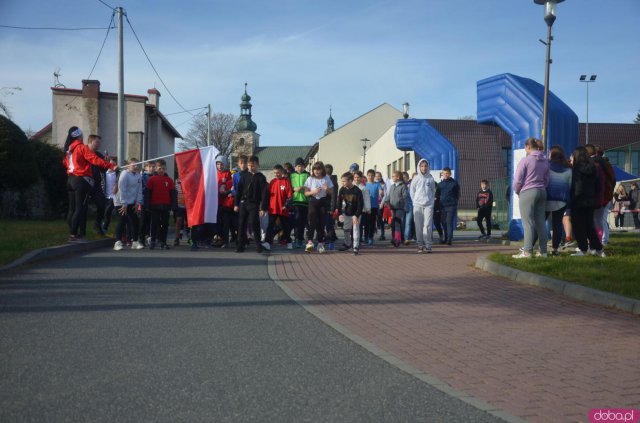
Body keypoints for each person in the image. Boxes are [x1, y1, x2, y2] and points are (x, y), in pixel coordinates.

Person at [62, 126, 116, 243]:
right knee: (79, 208)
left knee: (73, 209)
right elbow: (94, 159)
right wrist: (111, 165)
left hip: (70, 179)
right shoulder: (81, 147)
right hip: (81, 180)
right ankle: (74, 235)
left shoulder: (69, 149)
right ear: (80, 136)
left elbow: (65, 162)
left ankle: (74, 232)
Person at [511, 138, 549, 258]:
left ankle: (527, 251)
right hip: (542, 191)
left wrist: (518, 191)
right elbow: (547, 179)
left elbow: (517, 180)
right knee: (541, 222)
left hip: (527, 192)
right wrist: (542, 187)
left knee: (527, 223)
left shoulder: (525, 160)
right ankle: (543, 251)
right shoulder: (545, 161)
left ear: (528, 147)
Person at [569, 147, 604, 257]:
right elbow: (598, 186)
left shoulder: (576, 169)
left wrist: (572, 200)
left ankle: (583, 249)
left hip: (578, 202)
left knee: (579, 227)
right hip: (590, 201)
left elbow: (577, 187)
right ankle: (599, 250)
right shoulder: (594, 168)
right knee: (590, 226)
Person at [234, 155, 268, 253]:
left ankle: (258, 245)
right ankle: (240, 245)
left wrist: (262, 207)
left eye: (252, 166)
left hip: (254, 204)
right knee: (241, 224)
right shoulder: (244, 176)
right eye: (249, 165)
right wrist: (236, 204)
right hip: (243, 203)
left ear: (257, 165)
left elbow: (264, 194)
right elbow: (238, 191)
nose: (250, 167)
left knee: (254, 223)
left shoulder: (261, 177)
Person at [545, 146, 572, 256]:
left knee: (539, 222)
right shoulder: (569, 170)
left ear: (551, 156)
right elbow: (570, 186)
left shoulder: (546, 168)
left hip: (546, 199)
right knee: (557, 225)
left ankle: (531, 247)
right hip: (561, 201)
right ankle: (555, 249)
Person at [113, 158, 144, 251]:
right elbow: (122, 189)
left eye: (137, 164)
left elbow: (139, 190)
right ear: (128, 166)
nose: (136, 166)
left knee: (135, 221)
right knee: (121, 220)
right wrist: (124, 203)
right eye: (133, 165)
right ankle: (117, 242)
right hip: (120, 202)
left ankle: (134, 241)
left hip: (132, 202)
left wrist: (138, 202)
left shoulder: (138, 176)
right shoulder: (124, 174)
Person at [145, 159, 176, 250]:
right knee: (154, 224)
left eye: (163, 168)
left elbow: (173, 194)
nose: (161, 170)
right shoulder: (152, 179)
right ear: (156, 168)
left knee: (165, 224)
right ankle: (153, 241)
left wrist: (174, 206)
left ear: (165, 169)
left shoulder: (169, 180)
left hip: (166, 206)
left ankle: (163, 242)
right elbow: (148, 193)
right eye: (159, 168)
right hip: (154, 206)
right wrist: (147, 205)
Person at [303, 161, 333, 253]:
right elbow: (306, 193)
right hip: (313, 201)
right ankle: (310, 242)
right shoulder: (310, 178)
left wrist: (326, 189)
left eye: (319, 169)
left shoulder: (326, 178)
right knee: (312, 222)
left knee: (321, 223)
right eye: (315, 169)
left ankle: (320, 243)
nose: (317, 171)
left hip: (323, 202)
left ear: (322, 170)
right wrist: (313, 192)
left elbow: (332, 192)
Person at [262, 164, 293, 251]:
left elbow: (290, 196)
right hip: (273, 208)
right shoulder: (272, 182)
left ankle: (289, 241)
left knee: (286, 227)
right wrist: (265, 207)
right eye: (275, 173)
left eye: (278, 173)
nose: (276, 174)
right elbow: (267, 195)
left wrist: (286, 205)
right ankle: (268, 242)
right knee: (270, 226)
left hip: (283, 209)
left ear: (282, 172)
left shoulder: (286, 182)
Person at [410, 159, 436, 253]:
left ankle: (428, 245)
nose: (424, 168)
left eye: (425, 166)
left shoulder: (431, 178)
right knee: (418, 226)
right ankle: (420, 245)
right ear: (419, 167)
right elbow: (412, 191)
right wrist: (415, 201)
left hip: (428, 205)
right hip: (417, 205)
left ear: (428, 167)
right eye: (422, 166)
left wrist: (432, 202)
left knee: (427, 225)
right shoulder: (416, 178)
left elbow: (433, 191)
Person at [337, 172, 364, 255]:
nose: (342, 183)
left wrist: (356, 215)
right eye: (342, 181)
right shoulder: (342, 189)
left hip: (356, 213)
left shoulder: (357, 191)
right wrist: (340, 214)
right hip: (347, 213)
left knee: (355, 229)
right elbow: (339, 202)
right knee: (346, 229)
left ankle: (355, 246)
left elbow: (361, 204)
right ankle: (347, 244)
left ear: (350, 181)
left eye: (344, 181)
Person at [86, 134, 108, 235]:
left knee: (102, 204)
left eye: (100, 142)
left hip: (96, 184)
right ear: (90, 142)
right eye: (97, 142)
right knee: (82, 206)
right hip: (84, 183)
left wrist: (106, 162)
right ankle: (79, 229)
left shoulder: (99, 155)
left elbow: (103, 170)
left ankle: (97, 224)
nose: (99, 144)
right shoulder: (83, 152)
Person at [384, 171, 408, 247]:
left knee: (397, 223)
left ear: (398, 177)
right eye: (392, 176)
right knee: (394, 223)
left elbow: (404, 196)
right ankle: (396, 238)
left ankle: (397, 240)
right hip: (392, 207)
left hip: (399, 207)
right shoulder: (392, 186)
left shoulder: (402, 186)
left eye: (394, 176)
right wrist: (386, 201)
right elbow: (388, 195)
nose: (393, 177)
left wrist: (400, 201)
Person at [290, 157, 310, 248]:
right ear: (295, 167)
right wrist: (293, 189)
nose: (300, 168)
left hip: (305, 200)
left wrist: (302, 187)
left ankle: (300, 239)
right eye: (298, 166)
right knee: (296, 220)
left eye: (301, 166)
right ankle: (296, 238)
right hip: (295, 200)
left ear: (304, 167)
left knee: (302, 221)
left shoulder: (308, 175)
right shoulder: (291, 175)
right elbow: (289, 186)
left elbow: (310, 185)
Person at [438, 167, 460, 246]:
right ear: (442, 174)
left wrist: (455, 202)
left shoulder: (454, 183)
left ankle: (449, 239)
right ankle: (446, 237)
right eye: (444, 173)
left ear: (450, 174)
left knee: (448, 222)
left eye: (447, 173)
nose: (445, 175)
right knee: (443, 222)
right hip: (442, 206)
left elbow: (458, 194)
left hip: (451, 205)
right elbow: (438, 195)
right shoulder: (440, 184)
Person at [216, 155, 235, 248]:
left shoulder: (228, 174)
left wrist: (226, 189)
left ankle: (226, 240)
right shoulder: (214, 173)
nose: (220, 166)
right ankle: (219, 238)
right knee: (217, 222)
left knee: (226, 223)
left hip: (225, 203)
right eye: (218, 164)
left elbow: (231, 185)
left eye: (221, 164)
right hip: (216, 202)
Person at [139, 161, 155, 246]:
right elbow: (140, 188)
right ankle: (141, 239)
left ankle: (149, 236)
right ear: (145, 168)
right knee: (143, 221)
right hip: (144, 201)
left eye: (153, 166)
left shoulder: (155, 176)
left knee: (151, 221)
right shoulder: (142, 176)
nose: (151, 168)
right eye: (149, 166)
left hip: (153, 202)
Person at [364, 169, 383, 245]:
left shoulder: (377, 184)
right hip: (365, 206)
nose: (370, 177)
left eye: (372, 175)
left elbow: (381, 191)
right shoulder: (364, 184)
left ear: (374, 176)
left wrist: (381, 193)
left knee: (372, 223)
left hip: (374, 206)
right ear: (367, 176)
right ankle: (365, 237)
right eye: (369, 175)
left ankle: (370, 238)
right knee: (366, 223)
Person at [353, 170, 371, 244]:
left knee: (359, 225)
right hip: (351, 209)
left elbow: (366, 199)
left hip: (361, 209)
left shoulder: (364, 188)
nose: (356, 179)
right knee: (352, 226)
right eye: (355, 177)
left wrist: (368, 208)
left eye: (358, 177)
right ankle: (352, 239)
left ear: (361, 178)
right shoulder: (351, 186)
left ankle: (359, 239)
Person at [324, 163, 339, 250]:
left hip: (329, 206)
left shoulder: (331, 181)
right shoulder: (333, 180)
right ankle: (331, 237)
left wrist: (332, 208)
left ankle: (330, 239)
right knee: (329, 224)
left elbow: (333, 196)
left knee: (328, 224)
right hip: (329, 205)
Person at [102, 156, 118, 233]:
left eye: (114, 164)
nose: (112, 166)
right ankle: (104, 226)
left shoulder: (118, 173)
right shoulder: (104, 174)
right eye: (111, 164)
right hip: (105, 196)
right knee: (106, 213)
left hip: (114, 196)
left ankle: (105, 227)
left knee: (108, 212)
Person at [173, 176, 187, 247]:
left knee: (189, 223)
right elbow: (174, 192)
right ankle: (177, 238)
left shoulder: (190, 178)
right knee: (178, 221)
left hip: (188, 204)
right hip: (179, 204)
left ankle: (190, 238)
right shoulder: (177, 180)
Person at [375, 171, 387, 241]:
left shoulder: (383, 185)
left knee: (380, 219)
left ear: (381, 177)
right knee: (373, 219)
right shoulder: (373, 184)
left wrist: (382, 203)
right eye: (376, 176)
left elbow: (385, 195)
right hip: (373, 204)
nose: (377, 177)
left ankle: (382, 234)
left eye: (378, 176)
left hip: (380, 204)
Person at [402, 171, 414, 245]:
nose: (404, 179)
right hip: (402, 206)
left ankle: (406, 238)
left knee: (408, 223)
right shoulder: (400, 186)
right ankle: (402, 238)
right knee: (402, 223)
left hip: (410, 206)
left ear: (407, 178)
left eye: (405, 177)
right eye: (402, 178)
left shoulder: (411, 185)